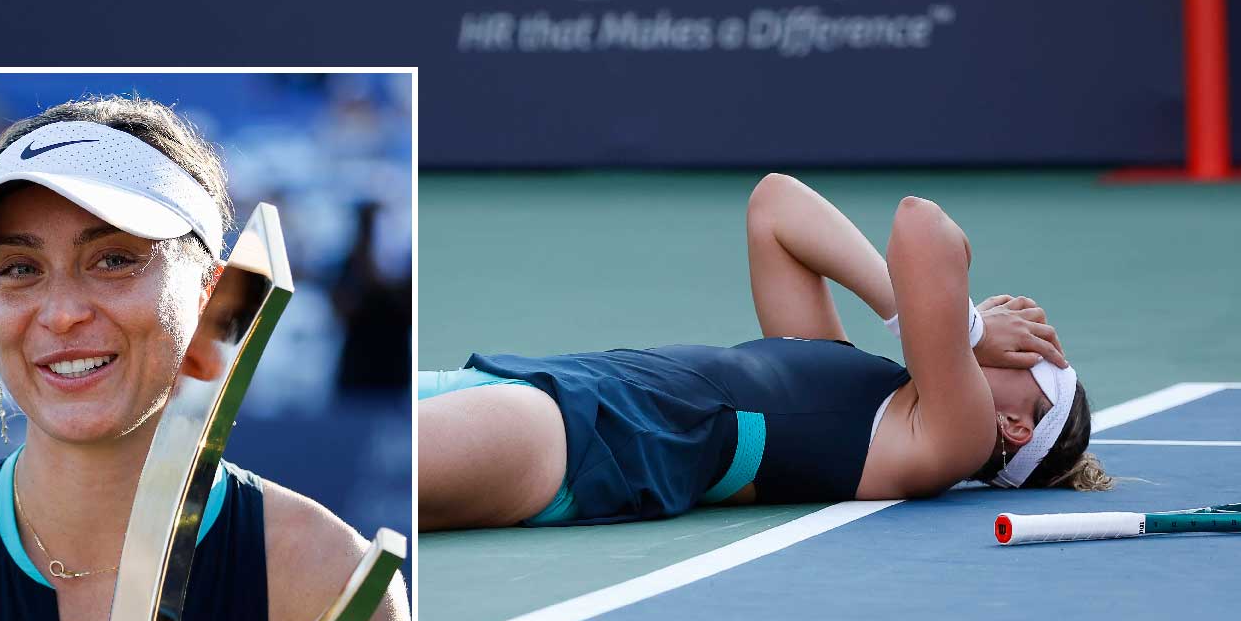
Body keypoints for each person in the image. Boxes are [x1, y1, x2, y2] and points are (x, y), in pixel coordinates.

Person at [0, 96, 412, 621]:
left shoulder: (326, 579)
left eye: (113, 260)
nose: (60, 314)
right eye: (19, 269)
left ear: (212, 296)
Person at [419, 174, 1112, 531]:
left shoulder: (951, 441)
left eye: (1033, 363)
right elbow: (775, 208)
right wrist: (942, 321)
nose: (1016, 344)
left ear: (1015, 427)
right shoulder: (855, 381)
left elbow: (921, 227)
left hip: (597, 443)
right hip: (553, 390)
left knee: (348, 469)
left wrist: (970, 330)